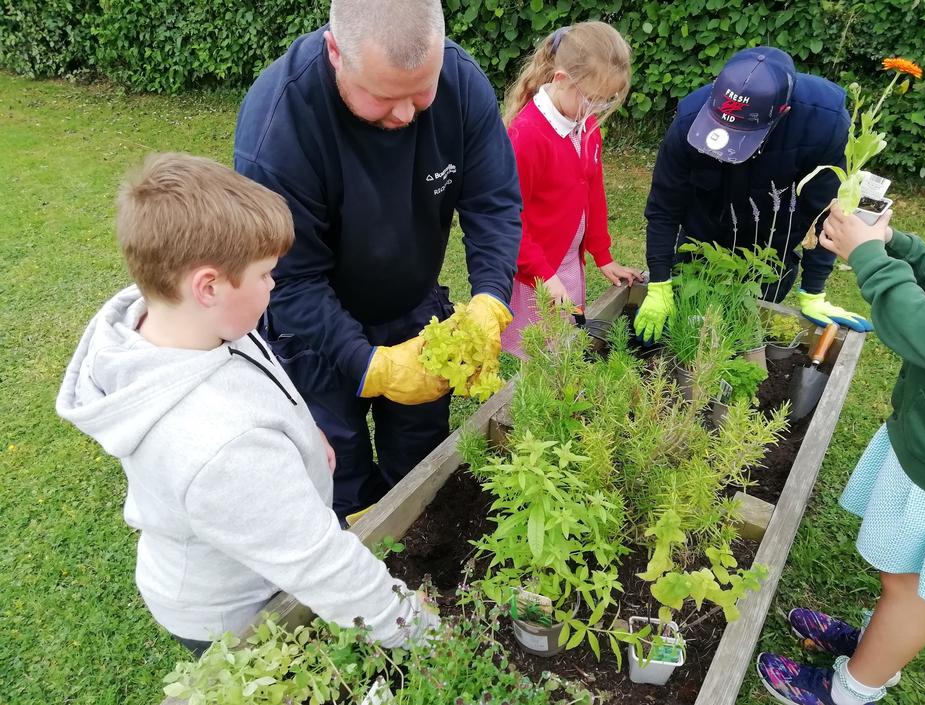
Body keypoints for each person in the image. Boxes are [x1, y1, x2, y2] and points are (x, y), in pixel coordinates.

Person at [56, 154, 438, 655]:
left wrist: (302, 431)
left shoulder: (187, 323)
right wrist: (416, 628)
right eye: (265, 275)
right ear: (208, 286)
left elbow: (255, 371)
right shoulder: (220, 445)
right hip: (239, 609)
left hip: (242, 549)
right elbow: (318, 562)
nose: (274, 285)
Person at [234, 0, 522, 523]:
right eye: (385, 97)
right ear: (335, 51)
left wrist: (490, 298)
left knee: (420, 467)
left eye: (421, 91)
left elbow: (494, 201)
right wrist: (372, 365)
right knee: (337, 472)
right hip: (312, 337)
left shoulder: (461, 83)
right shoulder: (279, 124)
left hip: (415, 309)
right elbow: (290, 279)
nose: (408, 114)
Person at [757, 203, 925, 705]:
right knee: (900, 579)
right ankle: (879, 651)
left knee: (911, 590)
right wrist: (899, 246)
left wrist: (872, 259)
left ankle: (850, 690)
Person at [635, 46, 873, 344]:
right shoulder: (689, 121)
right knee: (684, 324)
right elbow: (664, 206)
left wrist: (814, 290)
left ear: (782, 113)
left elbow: (824, 211)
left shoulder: (822, 124)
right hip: (702, 234)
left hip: (770, 249)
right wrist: (659, 282)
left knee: (743, 331)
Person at [499, 22, 645, 357]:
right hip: (535, 271)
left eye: (605, 101)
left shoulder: (585, 124)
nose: (597, 111)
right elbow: (509, 220)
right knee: (541, 354)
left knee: (564, 342)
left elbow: (592, 190)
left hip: (568, 261)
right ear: (562, 80)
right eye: (593, 99)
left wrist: (603, 255)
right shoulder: (527, 136)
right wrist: (544, 276)